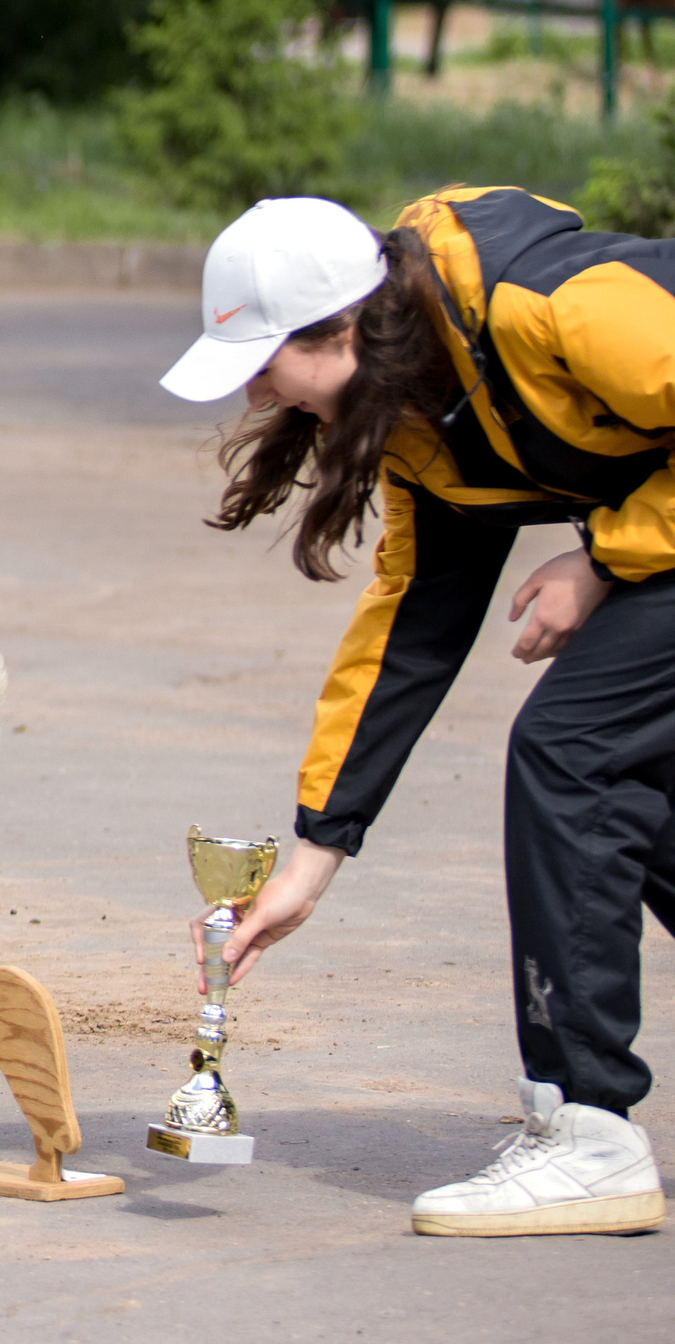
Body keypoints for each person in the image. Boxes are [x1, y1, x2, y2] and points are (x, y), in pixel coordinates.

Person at [160, 189, 672, 1238]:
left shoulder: (551, 307)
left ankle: (586, 1132)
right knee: (622, 777)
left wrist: (608, 558)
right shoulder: (419, 411)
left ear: (343, 326)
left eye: (265, 360)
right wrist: (315, 853)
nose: (258, 389)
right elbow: (409, 628)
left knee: (569, 749)